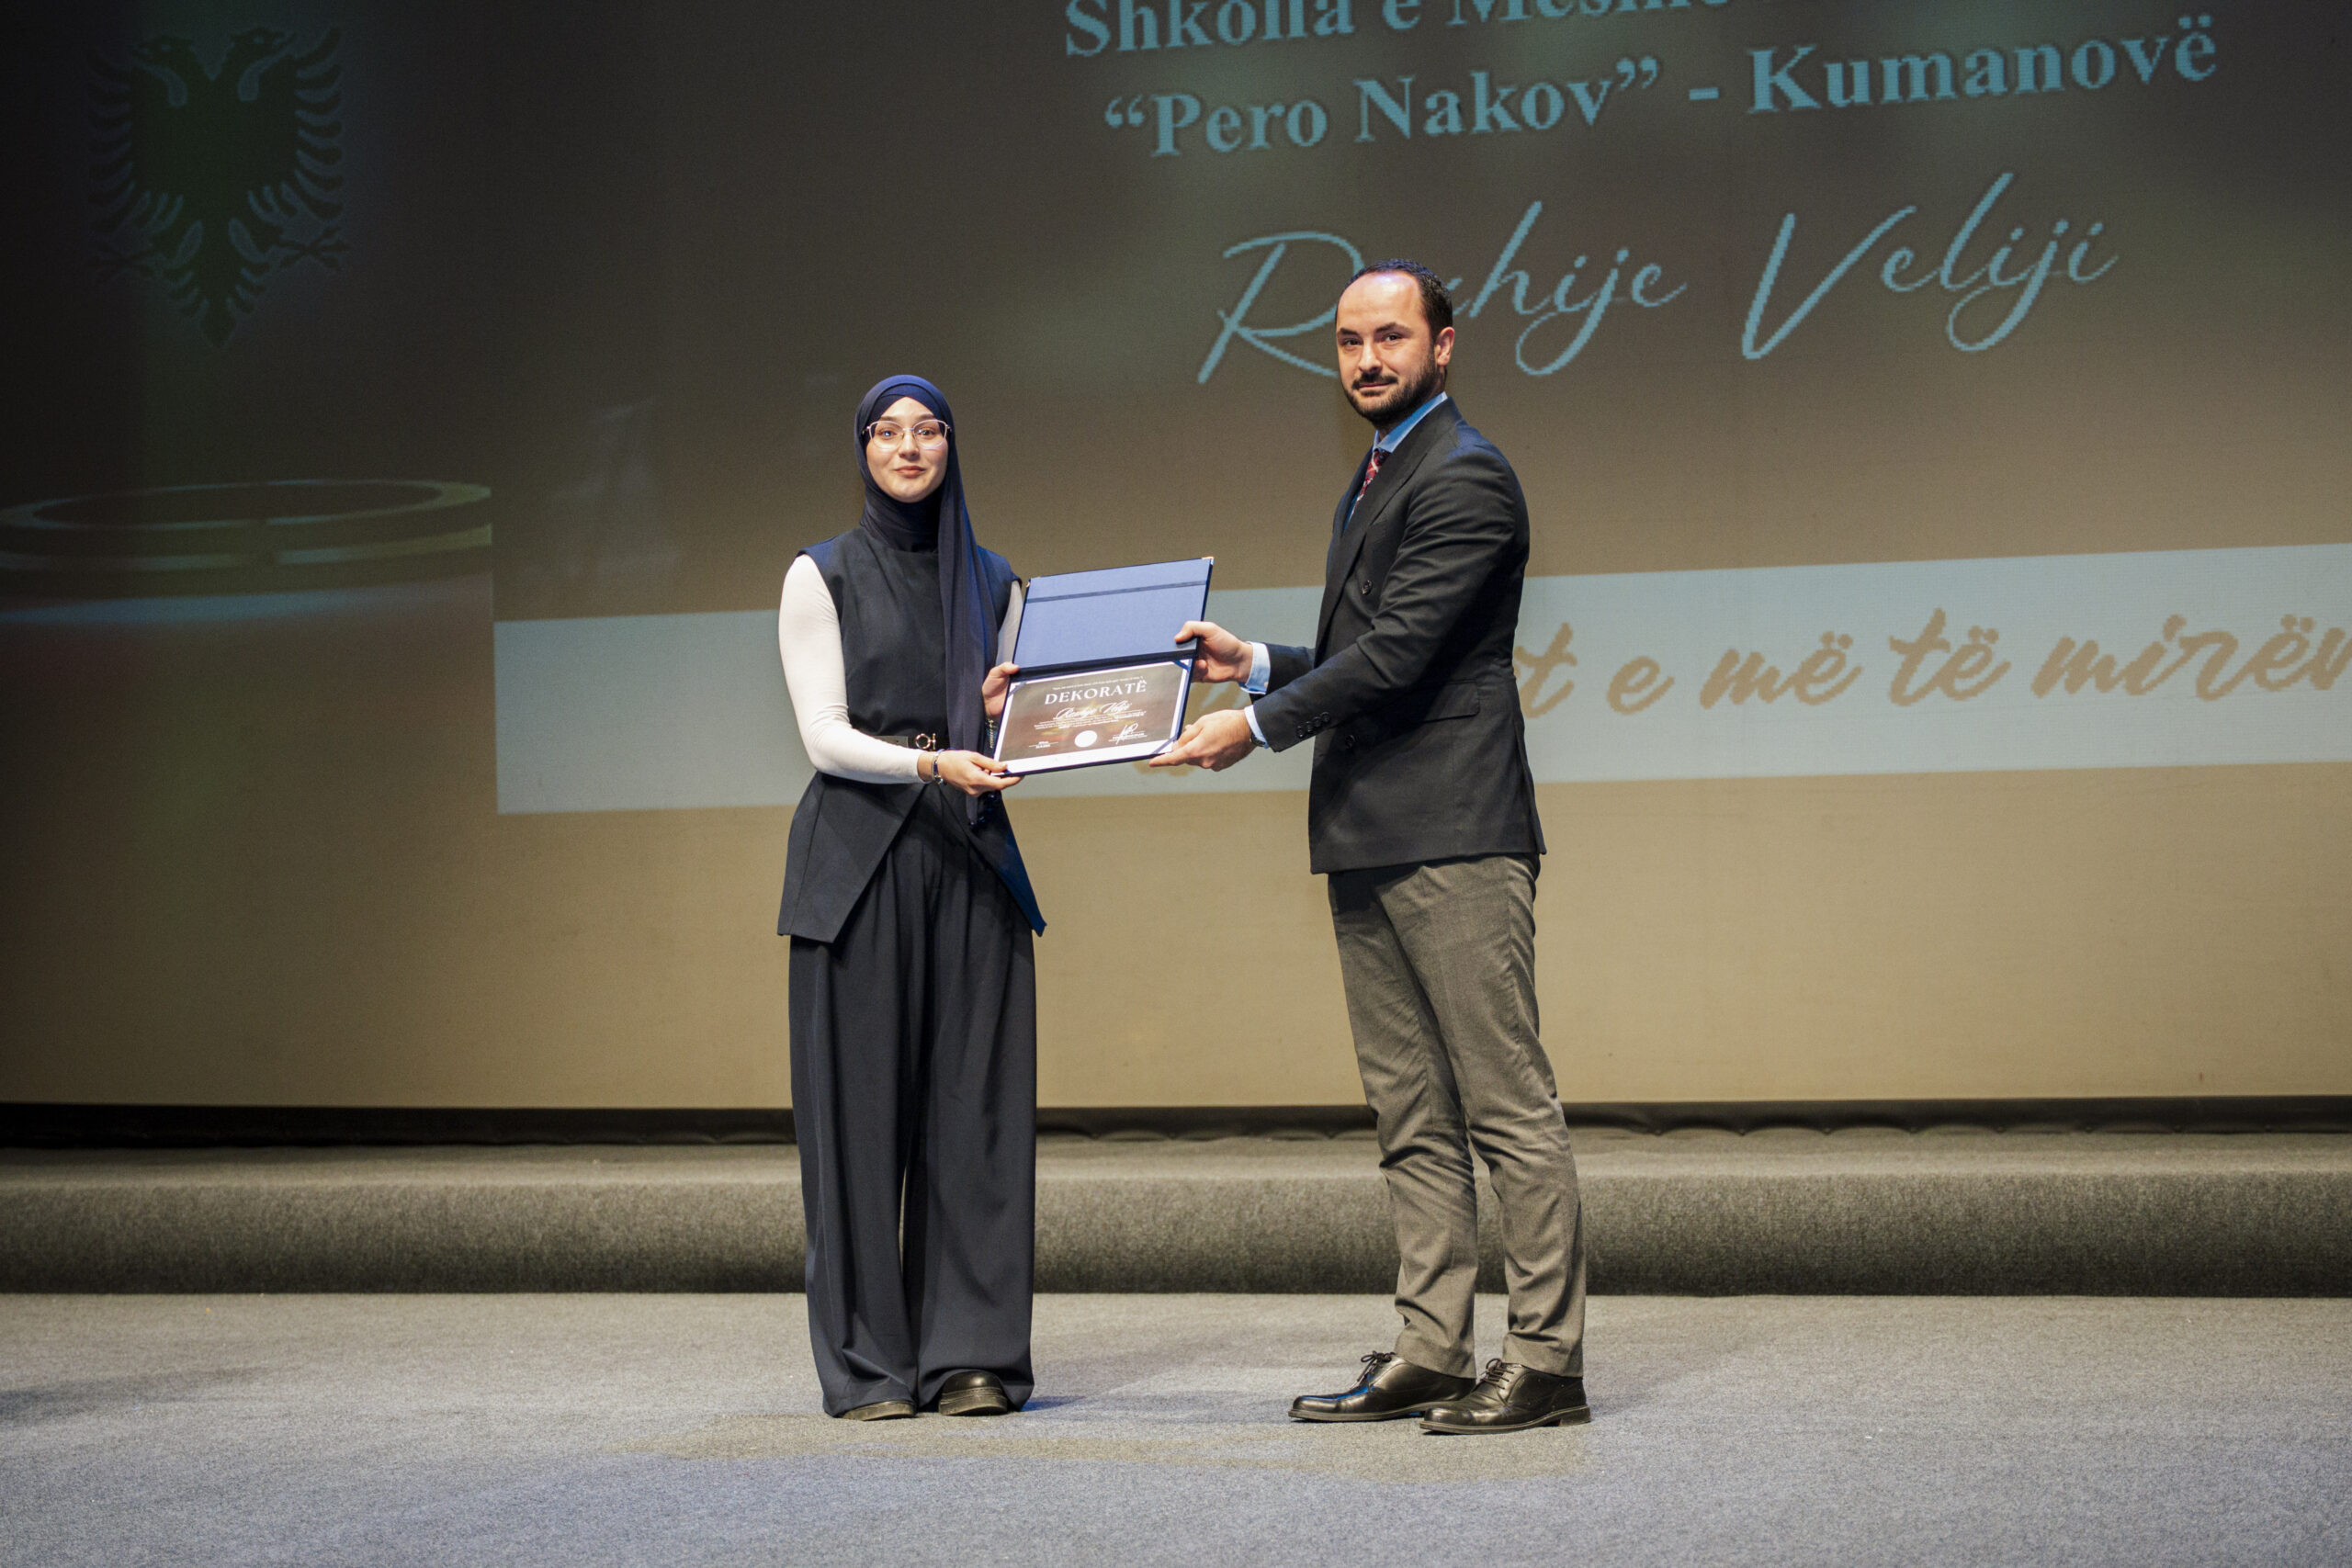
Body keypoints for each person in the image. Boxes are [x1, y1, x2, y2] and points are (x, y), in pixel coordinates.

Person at [1154, 261, 1589, 1434]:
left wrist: (1252, 726)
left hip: (1453, 828)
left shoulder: (1466, 473)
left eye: (1390, 337)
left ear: (1442, 346)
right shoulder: (1381, 471)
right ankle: (1434, 1348)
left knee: (1503, 1106)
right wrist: (1259, 663)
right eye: (1349, 342)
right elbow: (1376, 650)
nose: (1366, 360)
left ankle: (1546, 1360)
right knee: (1410, 1115)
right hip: (1368, 830)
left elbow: (1400, 656)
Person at [775, 374, 1045, 1421]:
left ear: (950, 445)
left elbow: (1014, 728)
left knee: (974, 1116)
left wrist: (1003, 719)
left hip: (970, 853)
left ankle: (971, 1357)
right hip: (859, 861)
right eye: (886, 432)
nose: (908, 447)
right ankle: (868, 1366)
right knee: (857, 1121)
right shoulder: (822, 573)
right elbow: (824, 736)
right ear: (863, 449)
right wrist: (932, 761)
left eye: (928, 430)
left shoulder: (996, 578)